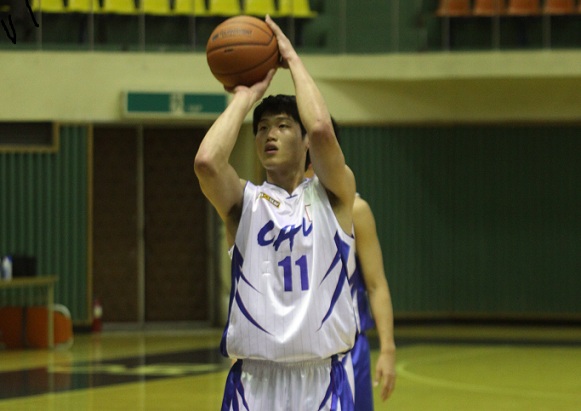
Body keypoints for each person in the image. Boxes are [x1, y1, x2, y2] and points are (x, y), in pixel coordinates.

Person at [194, 15, 358, 411]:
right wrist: (246, 96)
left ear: (304, 141)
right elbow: (207, 162)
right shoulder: (244, 203)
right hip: (253, 382)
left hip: (322, 381)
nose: (270, 134)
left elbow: (321, 129)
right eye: (262, 128)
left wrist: (292, 60)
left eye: (283, 126)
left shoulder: (333, 196)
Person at [306, 122, 397, 410]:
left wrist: (388, 348)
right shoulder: (274, 208)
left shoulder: (355, 210)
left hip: (346, 349)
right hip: (295, 350)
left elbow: (376, 284)